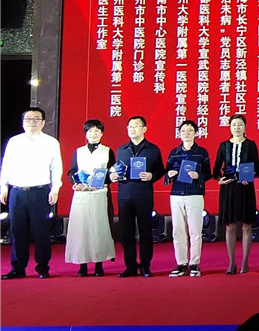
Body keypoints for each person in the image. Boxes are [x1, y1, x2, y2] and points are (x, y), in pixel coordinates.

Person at [0, 107, 62, 279]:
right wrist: (3, 187)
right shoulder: (14, 141)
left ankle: (42, 267)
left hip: (40, 192)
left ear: (43, 122)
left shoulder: (51, 142)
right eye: (28, 119)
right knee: (17, 231)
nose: (32, 122)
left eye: (36, 119)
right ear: (22, 122)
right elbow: (6, 166)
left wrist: (55, 189)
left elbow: (57, 167)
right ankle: (18, 268)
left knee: (41, 231)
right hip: (17, 192)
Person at [110, 115, 165, 277]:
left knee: (145, 231)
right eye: (130, 126)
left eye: (136, 126)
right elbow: (114, 169)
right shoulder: (121, 150)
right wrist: (113, 176)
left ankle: (145, 266)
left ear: (144, 129)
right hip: (124, 195)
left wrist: (152, 176)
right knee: (126, 233)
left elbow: (160, 170)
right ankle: (130, 266)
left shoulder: (153, 149)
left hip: (143, 195)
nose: (132, 129)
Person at [65, 119, 116, 277]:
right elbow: (72, 172)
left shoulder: (107, 151)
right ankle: (82, 264)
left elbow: (112, 172)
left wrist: (105, 181)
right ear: (85, 134)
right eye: (90, 131)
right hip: (82, 195)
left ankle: (99, 263)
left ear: (102, 133)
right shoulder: (79, 151)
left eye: (96, 131)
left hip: (100, 194)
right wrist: (76, 184)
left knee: (98, 228)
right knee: (81, 229)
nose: (93, 134)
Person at [213, 114, 259, 274]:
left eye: (240, 124)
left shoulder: (251, 145)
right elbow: (216, 169)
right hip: (229, 188)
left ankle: (245, 262)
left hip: (246, 188)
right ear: (230, 127)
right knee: (230, 226)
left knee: (247, 225)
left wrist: (250, 176)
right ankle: (231, 263)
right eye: (234, 125)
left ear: (245, 127)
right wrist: (219, 179)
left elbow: (257, 167)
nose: (237, 128)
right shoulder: (224, 145)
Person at [164, 120, 212, 277]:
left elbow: (208, 173)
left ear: (196, 133)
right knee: (178, 230)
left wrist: (198, 176)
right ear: (179, 133)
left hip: (195, 194)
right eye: (183, 130)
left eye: (190, 130)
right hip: (176, 194)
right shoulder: (174, 152)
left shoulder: (201, 152)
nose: (186, 133)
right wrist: (169, 174)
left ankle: (194, 263)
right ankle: (181, 263)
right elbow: (166, 172)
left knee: (195, 230)